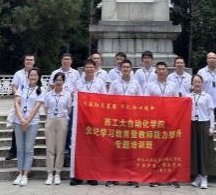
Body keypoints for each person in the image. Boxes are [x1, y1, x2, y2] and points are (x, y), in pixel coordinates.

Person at [70, 59, 106, 186]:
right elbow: (73, 97)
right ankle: (78, 175)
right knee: (79, 147)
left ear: (95, 69)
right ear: (84, 69)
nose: (89, 69)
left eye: (91, 67)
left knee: (93, 148)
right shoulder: (78, 82)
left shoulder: (100, 82)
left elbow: (104, 99)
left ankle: (92, 175)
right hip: (81, 119)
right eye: (87, 67)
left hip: (95, 119)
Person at [107, 59, 142, 188]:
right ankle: (113, 177)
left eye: (128, 67)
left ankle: (132, 178)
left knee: (131, 150)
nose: (126, 69)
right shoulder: (115, 83)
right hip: (117, 121)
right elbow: (109, 100)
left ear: (131, 69)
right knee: (116, 150)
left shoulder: (136, 84)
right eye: (124, 67)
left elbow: (141, 101)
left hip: (131, 121)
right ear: (120, 69)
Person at [145, 62, 179, 188]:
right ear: (156, 72)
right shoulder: (150, 86)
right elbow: (145, 102)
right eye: (159, 69)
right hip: (156, 122)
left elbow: (178, 102)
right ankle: (155, 177)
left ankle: (171, 178)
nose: (161, 71)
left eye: (163, 69)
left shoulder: (173, 85)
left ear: (167, 71)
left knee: (171, 150)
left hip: (170, 122)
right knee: (156, 150)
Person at [12, 67, 44, 186]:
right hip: (18, 121)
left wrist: (27, 121)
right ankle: (20, 173)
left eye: (35, 75)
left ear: (38, 77)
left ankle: (25, 174)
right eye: (31, 75)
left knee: (29, 149)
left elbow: (36, 107)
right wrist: (21, 119)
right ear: (28, 76)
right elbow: (16, 103)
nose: (33, 77)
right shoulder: (22, 87)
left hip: (32, 122)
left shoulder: (41, 90)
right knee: (20, 149)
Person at [49, 53, 80, 166]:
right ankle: (57, 150)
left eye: (68, 59)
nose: (66, 61)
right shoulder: (55, 72)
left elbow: (78, 87)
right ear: (61, 61)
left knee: (69, 128)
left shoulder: (76, 73)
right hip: (58, 104)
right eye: (64, 59)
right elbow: (51, 86)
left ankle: (67, 149)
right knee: (57, 129)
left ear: (71, 61)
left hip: (71, 104)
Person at [43, 72, 72, 185]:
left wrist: (62, 117)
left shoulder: (67, 95)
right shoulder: (48, 94)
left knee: (60, 148)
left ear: (63, 82)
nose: (58, 82)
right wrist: (51, 116)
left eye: (60, 80)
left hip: (62, 120)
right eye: (57, 80)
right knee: (50, 148)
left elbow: (69, 109)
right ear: (53, 81)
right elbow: (46, 108)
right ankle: (50, 173)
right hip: (50, 120)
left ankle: (57, 174)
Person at [6, 53, 36, 161]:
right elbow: (14, 87)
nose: (29, 61)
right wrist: (19, 97)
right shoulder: (18, 74)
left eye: (31, 60)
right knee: (17, 128)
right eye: (27, 60)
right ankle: (13, 151)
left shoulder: (36, 73)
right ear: (24, 61)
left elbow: (39, 87)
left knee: (30, 128)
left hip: (31, 106)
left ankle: (29, 152)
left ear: (34, 62)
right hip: (20, 105)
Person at [190, 74, 216, 189]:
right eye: (195, 82)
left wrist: (212, 127)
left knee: (205, 151)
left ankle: (204, 176)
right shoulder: (188, 96)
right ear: (192, 84)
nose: (197, 84)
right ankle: (198, 176)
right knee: (195, 151)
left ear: (202, 83)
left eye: (199, 82)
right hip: (192, 124)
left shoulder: (207, 96)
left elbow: (211, 113)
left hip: (204, 124)